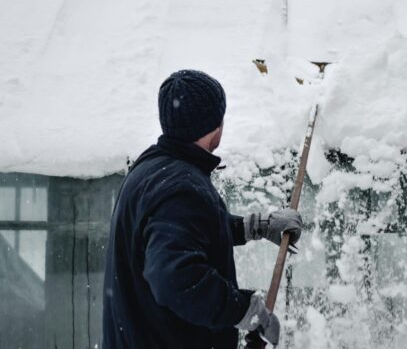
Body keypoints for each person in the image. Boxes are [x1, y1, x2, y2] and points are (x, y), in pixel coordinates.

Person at [102, 70, 303, 348]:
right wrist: (244, 311)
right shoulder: (180, 187)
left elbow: (189, 230)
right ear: (216, 126)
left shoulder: (151, 169)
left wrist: (254, 227)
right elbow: (175, 279)